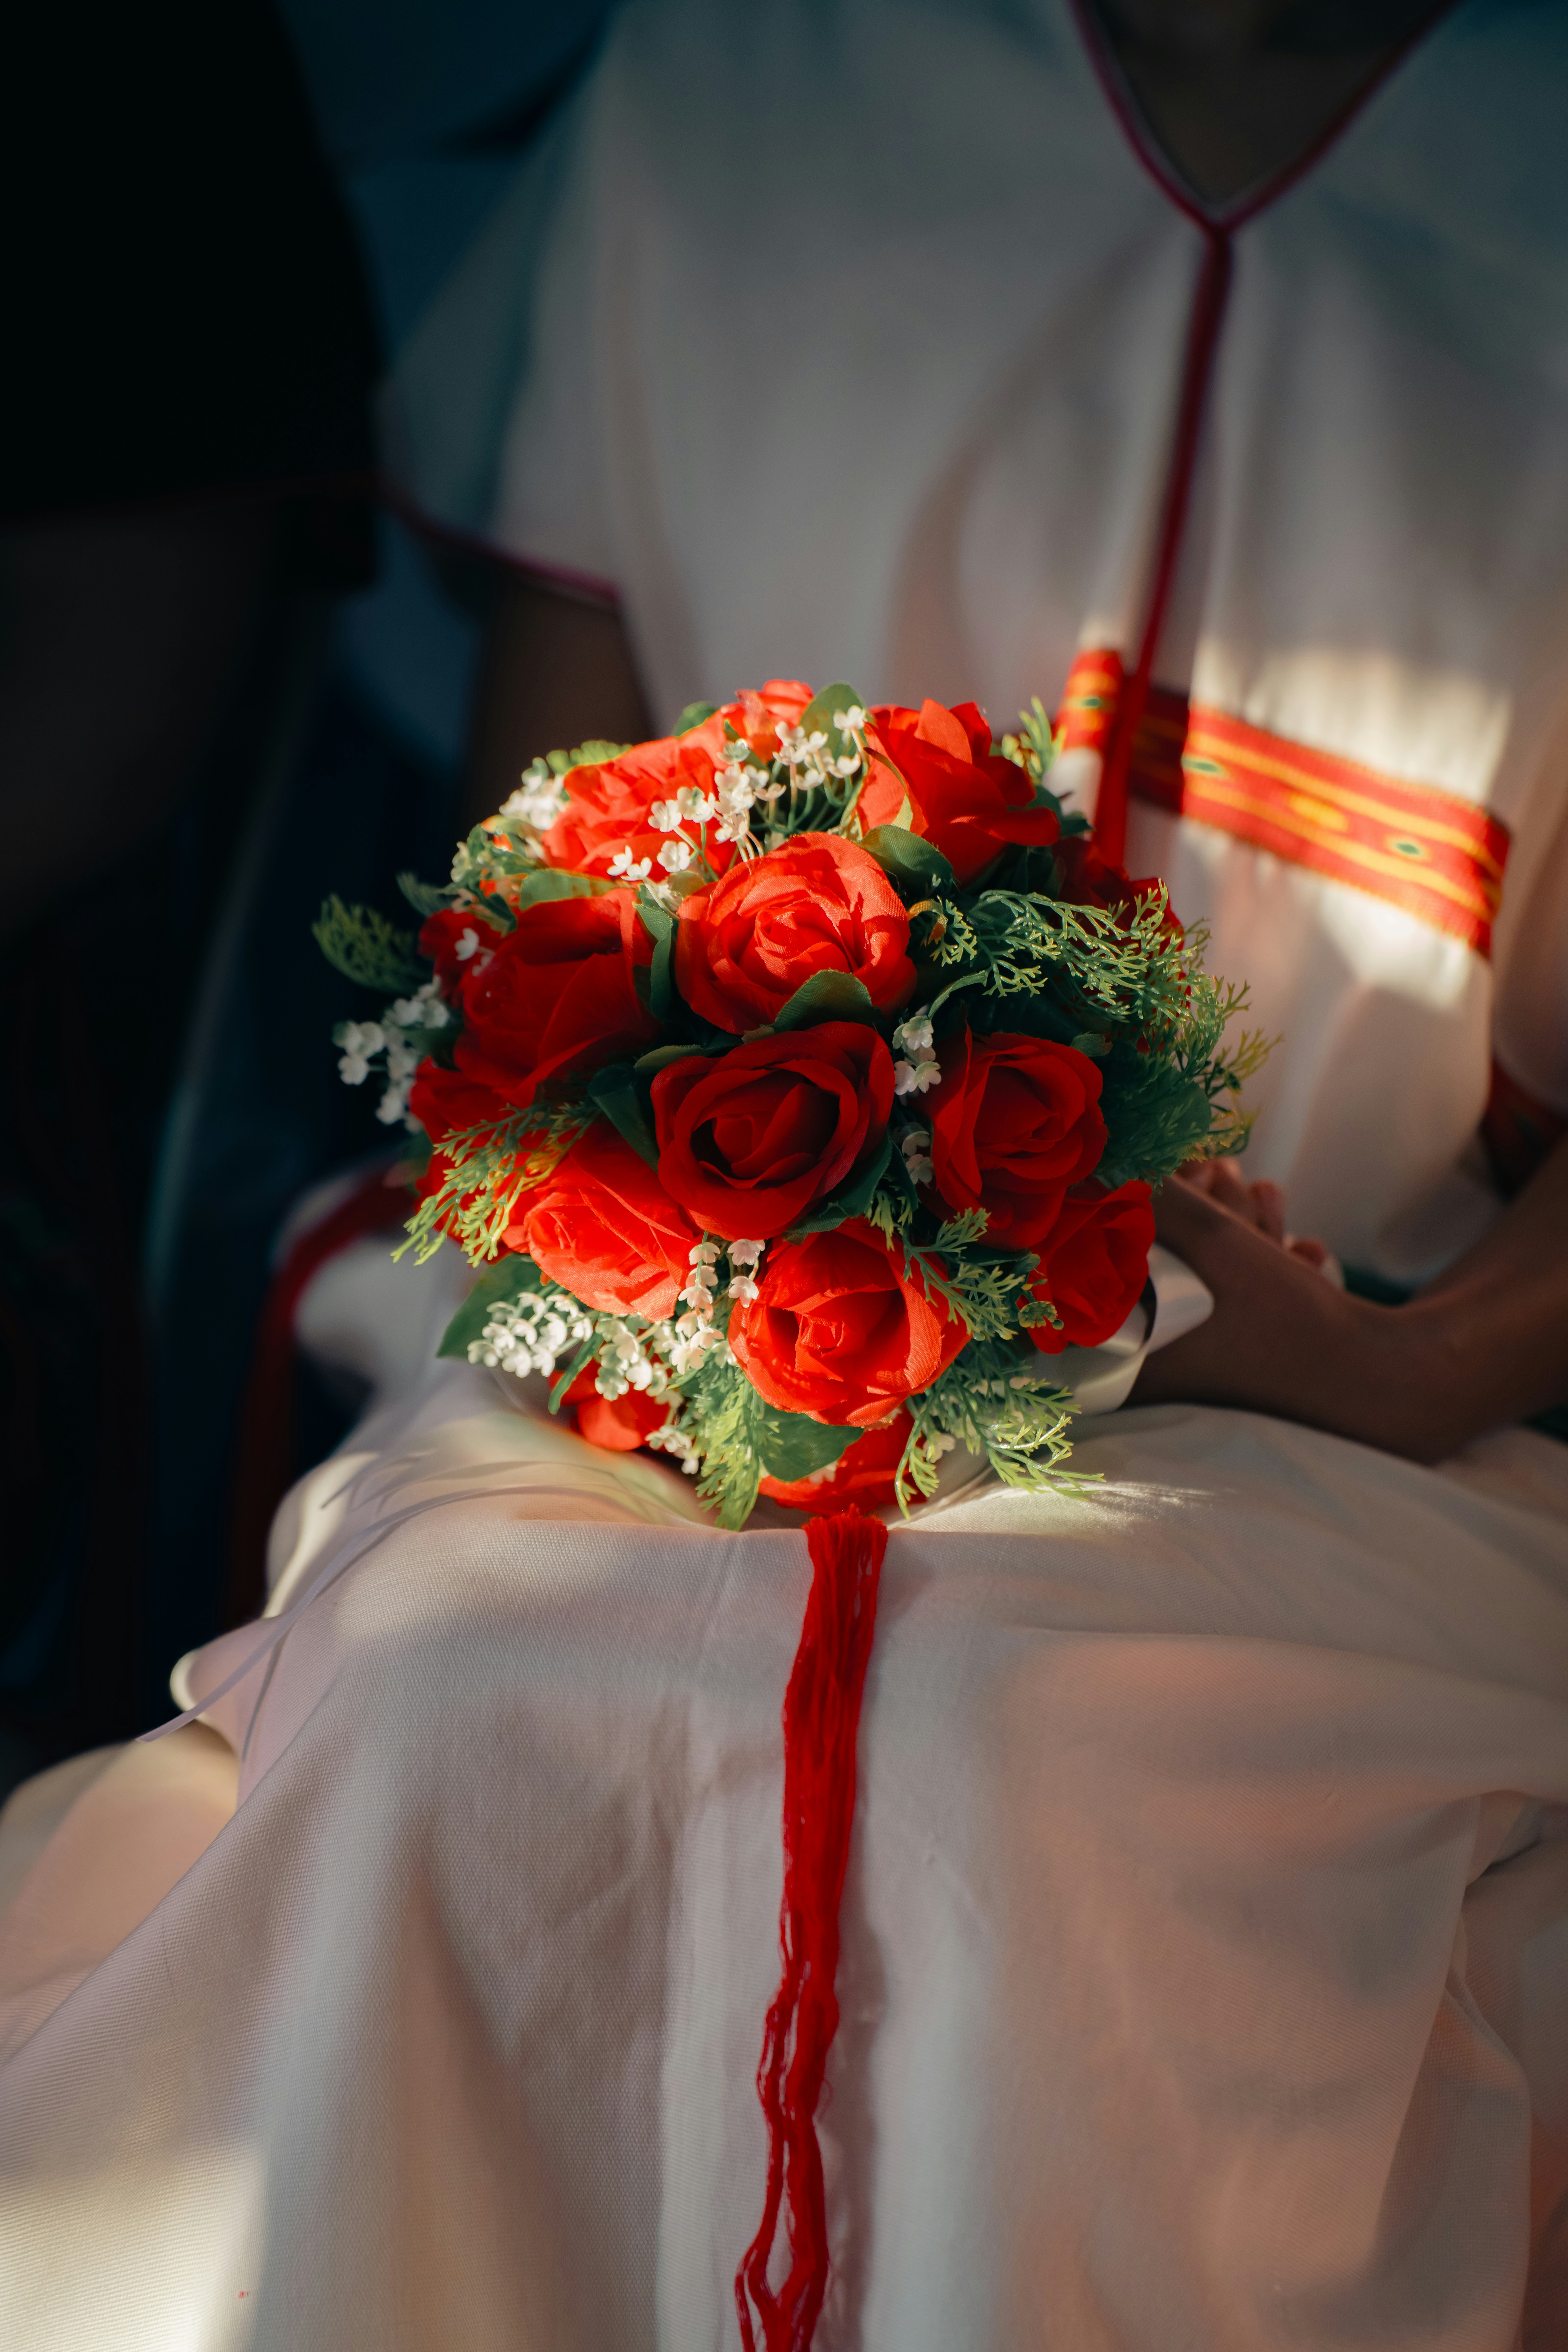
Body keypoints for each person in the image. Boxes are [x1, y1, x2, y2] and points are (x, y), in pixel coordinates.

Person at [2, 4, 1565, 2347]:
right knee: (460, 1700)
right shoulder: (736, 87)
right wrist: (670, 1231)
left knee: (1014, 1764)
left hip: (1342, 1385)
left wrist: (1404, 1361)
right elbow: (546, 909)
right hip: (666, 1329)